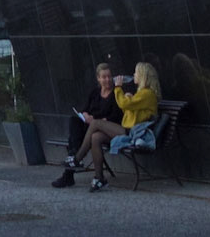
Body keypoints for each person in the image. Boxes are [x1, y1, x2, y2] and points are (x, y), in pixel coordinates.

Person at [56, 61, 160, 191]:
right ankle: (99, 178)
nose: (134, 75)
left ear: (143, 76)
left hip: (132, 132)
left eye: (136, 73)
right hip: (127, 129)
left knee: (95, 123)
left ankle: (77, 159)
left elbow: (123, 105)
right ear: (98, 78)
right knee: (95, 137)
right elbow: (130, 107)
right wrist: (128, 96)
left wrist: (118, 88)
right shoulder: (142, 93)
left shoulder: (147, 94)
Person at [55, 60, 119, 178]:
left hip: (103, 128)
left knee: (77, 138)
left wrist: (96, 121)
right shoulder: (95, 92)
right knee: (74, 123)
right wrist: (86, 116)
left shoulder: (116, 93)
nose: (107, 80)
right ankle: (74, 156)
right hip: (88, 125)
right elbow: (85, 109)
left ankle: (72, 167)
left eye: (109, 76)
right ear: (98, 79)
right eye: (104, 77)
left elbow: (116, 116)